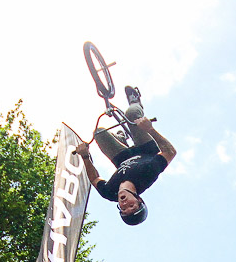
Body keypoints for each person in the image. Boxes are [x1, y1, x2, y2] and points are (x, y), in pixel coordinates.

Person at [74, 88, 176, 226]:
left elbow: (94, 179)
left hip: (122, 157)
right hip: (146, 148)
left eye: (123, 209)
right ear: (139, 200)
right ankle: (135, 100)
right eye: (131, 206)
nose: (125, 204)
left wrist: (85, 157)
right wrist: (149, 129)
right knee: (132, 114)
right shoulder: (147, 175)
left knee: (98, 133)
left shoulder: (110, 193)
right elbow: (170, 152)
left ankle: (121, 139)